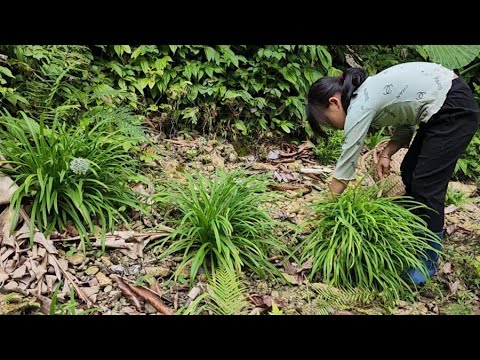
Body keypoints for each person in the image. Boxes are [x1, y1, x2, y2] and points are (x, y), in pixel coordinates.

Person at [306, 61, 480, 285]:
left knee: (426, 185)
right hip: (443, 105)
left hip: (453, 108)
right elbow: (405, 120)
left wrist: (323, 213)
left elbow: (346, 167)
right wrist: (387, 153)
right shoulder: (369, 92)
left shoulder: (360, 104)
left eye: (328, 121)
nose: (335, 128)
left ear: (334, 102)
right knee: (410, 171)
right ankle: (417, 231)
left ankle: (426, 260)